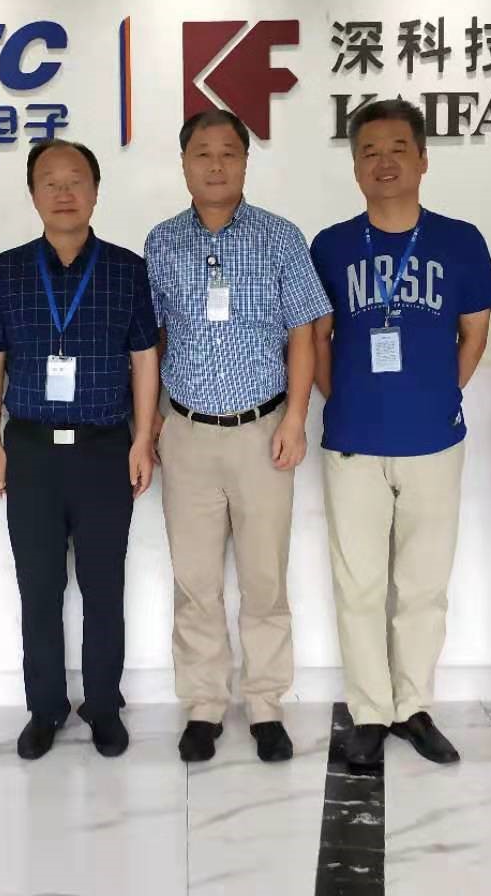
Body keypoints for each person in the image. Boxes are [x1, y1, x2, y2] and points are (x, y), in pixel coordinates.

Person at [310, 99, 491, 768]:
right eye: (369, 151)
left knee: (423, 586)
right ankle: (369, 712)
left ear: (422, 159)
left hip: (434, 441)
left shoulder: (461, 241)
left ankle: (413, 707)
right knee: (358, 587)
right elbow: (318, 339)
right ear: (355, 166)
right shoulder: (331, 246)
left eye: (397, 149)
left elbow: (475, 332)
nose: (383, 162)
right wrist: (344, 398)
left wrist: (441, 394)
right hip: (354, 441)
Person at [0, 138, 159, 761]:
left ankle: (103, 705)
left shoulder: (127, 269)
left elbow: (145, 359)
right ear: (33, 194)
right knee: (39, 589)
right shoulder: (6, 270)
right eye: (50, 181)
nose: (64, 192)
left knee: (103, 588)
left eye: (76, 180)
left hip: (104, 450)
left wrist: (143, 439)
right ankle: (44, 707)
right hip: (31, 451)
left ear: (96, 192)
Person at [145, 108, 333, 764]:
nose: (216, 164)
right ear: (184, 164)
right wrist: (154, 421)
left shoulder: (281, 237)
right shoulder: (162, 242)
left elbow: (305, 332)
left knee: (264, 578)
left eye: (229, 152)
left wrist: (295, 419)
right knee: (195, 581)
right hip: (188, 433)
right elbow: (152, 339)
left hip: (263, 432)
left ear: (246, 162)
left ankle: (265, 703)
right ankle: (202, 704)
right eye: (202, 153)